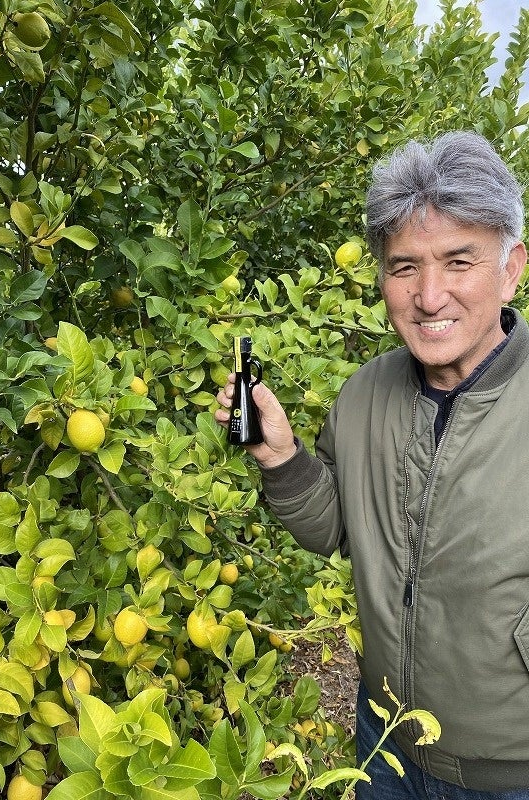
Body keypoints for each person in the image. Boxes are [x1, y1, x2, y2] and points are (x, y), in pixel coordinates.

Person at [215, 130, 529, 799]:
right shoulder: (365, 393)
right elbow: (335, 528)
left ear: (511, 269)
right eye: (404, 267)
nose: (429, 295)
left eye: (458, 262)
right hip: (385, 742)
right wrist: (281, 457)